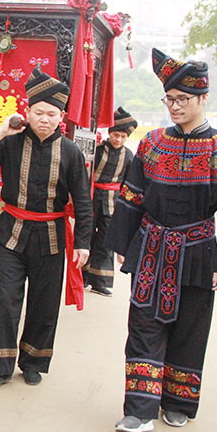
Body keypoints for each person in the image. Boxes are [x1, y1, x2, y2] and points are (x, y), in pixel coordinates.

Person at [108, 49, 217, 432]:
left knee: (190, 327)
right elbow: (132, 195)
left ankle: (177, 401)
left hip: (199, 250)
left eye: (182, 100)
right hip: (152, 247)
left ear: (203, 99)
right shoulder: (152, 143)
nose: (174, 106)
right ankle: (139, 409)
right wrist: (122, 241)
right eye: (169, 99)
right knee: (142, 324)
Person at [0, 67, 92, 390]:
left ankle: (33, 361)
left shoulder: (71, 152)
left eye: (51, 114)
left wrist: (83, 243)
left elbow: (83, 201)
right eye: (38, 112)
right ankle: (0, 364)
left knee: (43, 302)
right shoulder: (11, 142)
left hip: (51, 237)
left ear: (61, 115)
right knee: (6, 299)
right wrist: (1, 131)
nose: (44, 119)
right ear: (27, 111)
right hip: (11, 234)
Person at [82, 108, 136, 296]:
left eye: (122, 136)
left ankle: (100, 282)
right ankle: (82, 277)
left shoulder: (129, 156)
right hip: (92, 199)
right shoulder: (96, 151)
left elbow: (130, 183)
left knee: (106, 241)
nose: (118, 140)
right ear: (109, 133)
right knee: (86, 237)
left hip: (113, 202)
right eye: (115, 135)